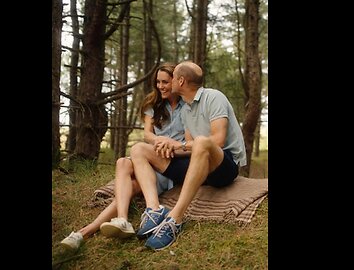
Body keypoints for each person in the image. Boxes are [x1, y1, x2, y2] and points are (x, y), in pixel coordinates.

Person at [60, 62, 188, 249]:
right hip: (149, 155)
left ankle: (84, 233)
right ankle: (122, 219)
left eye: (165, 82)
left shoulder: (188, 106)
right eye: (158, 82)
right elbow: (147, 134)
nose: (161, 86)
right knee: (122, 162)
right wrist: (159, 142)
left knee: (128, 191)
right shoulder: (154, 104)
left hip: (167, 163)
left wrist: (170, 145)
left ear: (176, 82)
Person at [130, 60, 247, 250]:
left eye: (173, 78)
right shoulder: (186, 108)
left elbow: (217, 140)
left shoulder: (214, 97)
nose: (169, 82)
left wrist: (180, 145)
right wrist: (169, 147)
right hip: (197, 165)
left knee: (202, 141)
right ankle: (154, 209)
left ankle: (175, 219)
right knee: (139, 149)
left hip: (223, 166)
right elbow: (187, 146)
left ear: (181, 81)